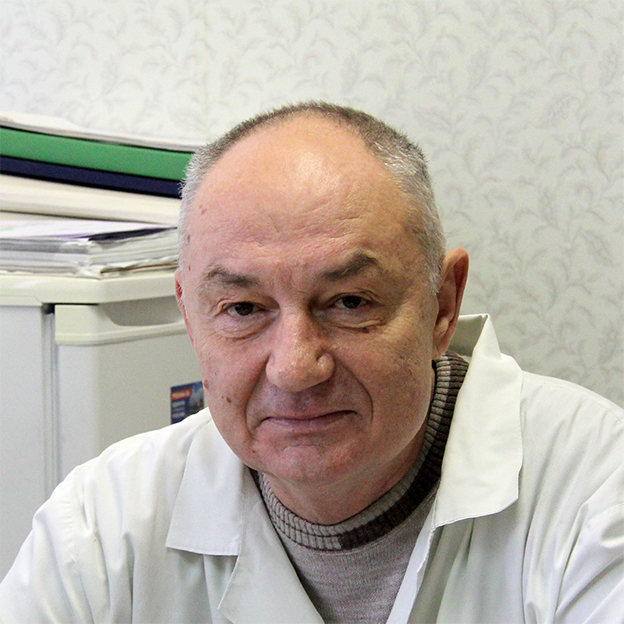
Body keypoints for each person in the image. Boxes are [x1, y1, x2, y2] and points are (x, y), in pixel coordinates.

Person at [0, 102, 622, 623]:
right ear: (190, 317)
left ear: (442, 305)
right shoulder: (100, 528)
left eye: (350, 302)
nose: (296, 368)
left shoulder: (594, 490)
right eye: (244, 309)